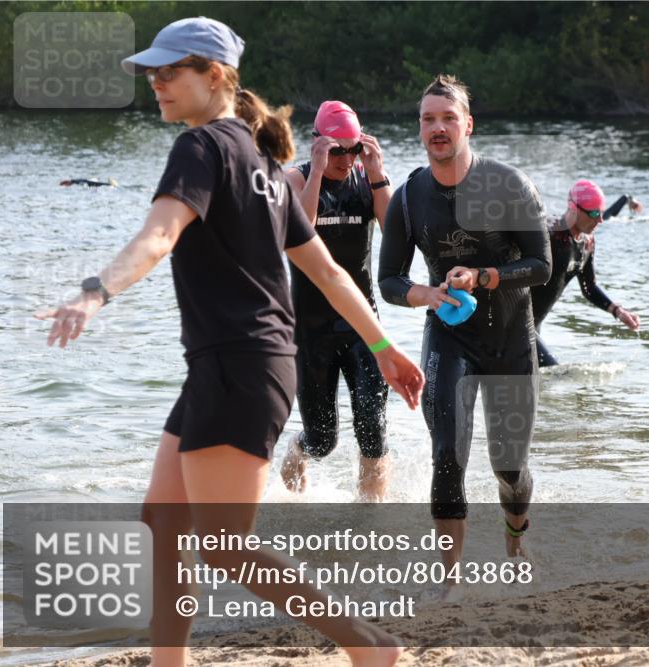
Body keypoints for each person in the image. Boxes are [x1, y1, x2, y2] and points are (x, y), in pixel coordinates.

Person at [36, 17, 421, 667]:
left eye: (168, 72)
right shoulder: (263, 161)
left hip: (240, 366)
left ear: (213, 76)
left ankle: (370, 646)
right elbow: (325, 270)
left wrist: (94, 291)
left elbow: (159, 236)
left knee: (223, 545)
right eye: (150, 74)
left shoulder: (203, 148)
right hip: (234, 365)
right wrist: (383, 348)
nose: (154, 84)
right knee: (163, 524)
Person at [378, 75, 551, 571]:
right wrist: (426, 294)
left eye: (448, 118)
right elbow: (389, 279)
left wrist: (485, 275)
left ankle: (515, 541)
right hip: (449, 338)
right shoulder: (410, 197)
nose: (438, 128)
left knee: (509, 466)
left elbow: (541, 266)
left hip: (511, 340)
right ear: (419, 128)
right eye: (428, 119)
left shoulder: (508, 185)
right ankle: (450, 580)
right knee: (448, 455)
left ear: (467, 125)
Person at [279, 101, 394, 500]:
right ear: (318, 144)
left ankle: (370, 519)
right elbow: (300, 231)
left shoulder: (367, 178)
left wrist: (377, 176)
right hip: (310, 328)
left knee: (372, 428)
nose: (346, 159)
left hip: (362, 320)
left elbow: (393, 233)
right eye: (336, 150)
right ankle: (297, 449)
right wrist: (314, 171)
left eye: (353, 149)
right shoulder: (293, 179)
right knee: (322, 439)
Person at [530, 180, 641, 367]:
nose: (600, 220)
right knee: (556, 374)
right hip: (515, 321)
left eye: (601, 212)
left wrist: (617, 310)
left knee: (539, 382)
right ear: (574, 208)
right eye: (595, 213)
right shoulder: (549, 234)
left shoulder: (587, 243)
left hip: (535, 324)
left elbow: (589, 288)